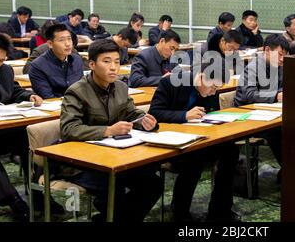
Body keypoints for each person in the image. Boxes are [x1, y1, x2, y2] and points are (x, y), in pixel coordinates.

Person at [60, 39, 162, 222]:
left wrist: (144, 120)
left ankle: (109, 218)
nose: (113, 67)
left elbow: (131, 112)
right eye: (106, 61)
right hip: (83, 163)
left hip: (114, 156)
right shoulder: (76, 91)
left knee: (152, 183)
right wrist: (107, 130)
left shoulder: (121, 87)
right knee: (113, 187)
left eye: (117, 61)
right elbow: (69, 129)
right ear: (92, 64)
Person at [149, 61, 240, 222]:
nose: (213, 92)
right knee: (194, 158)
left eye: (217, 89)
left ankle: (220, 209)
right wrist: (184, 116)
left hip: (198, 137)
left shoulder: (211, 90)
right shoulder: (171, 82)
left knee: (231, 151)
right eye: (213, 87)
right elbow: (154, 114)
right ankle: (179, 210)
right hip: (169, 142)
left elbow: (210, 113)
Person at [0, 33, 44, 222]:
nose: (0, 63)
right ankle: (14, 200)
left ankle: (39, 194)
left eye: (2, 59)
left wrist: (29, 96)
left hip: (7, 127)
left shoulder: (6, 70)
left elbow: (14, 90)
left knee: (33, 141)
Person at [234, 34, 289, 167]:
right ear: (267, 50)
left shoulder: (279, 66)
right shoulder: (253, 67)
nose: (282, 59)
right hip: (247, 116)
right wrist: (276, 95)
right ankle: (289, 171)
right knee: (278, 131)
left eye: (284, 55)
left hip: (269, 112)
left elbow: (282, 86)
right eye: (280, 54)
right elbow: (249, 94)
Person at [28, 23, 84, 98]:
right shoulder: (37, 66)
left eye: (69, 39)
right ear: (50, 44)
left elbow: (82, 89)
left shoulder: (77, 60)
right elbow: (47, 97)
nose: (68, 44)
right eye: (62, 40)